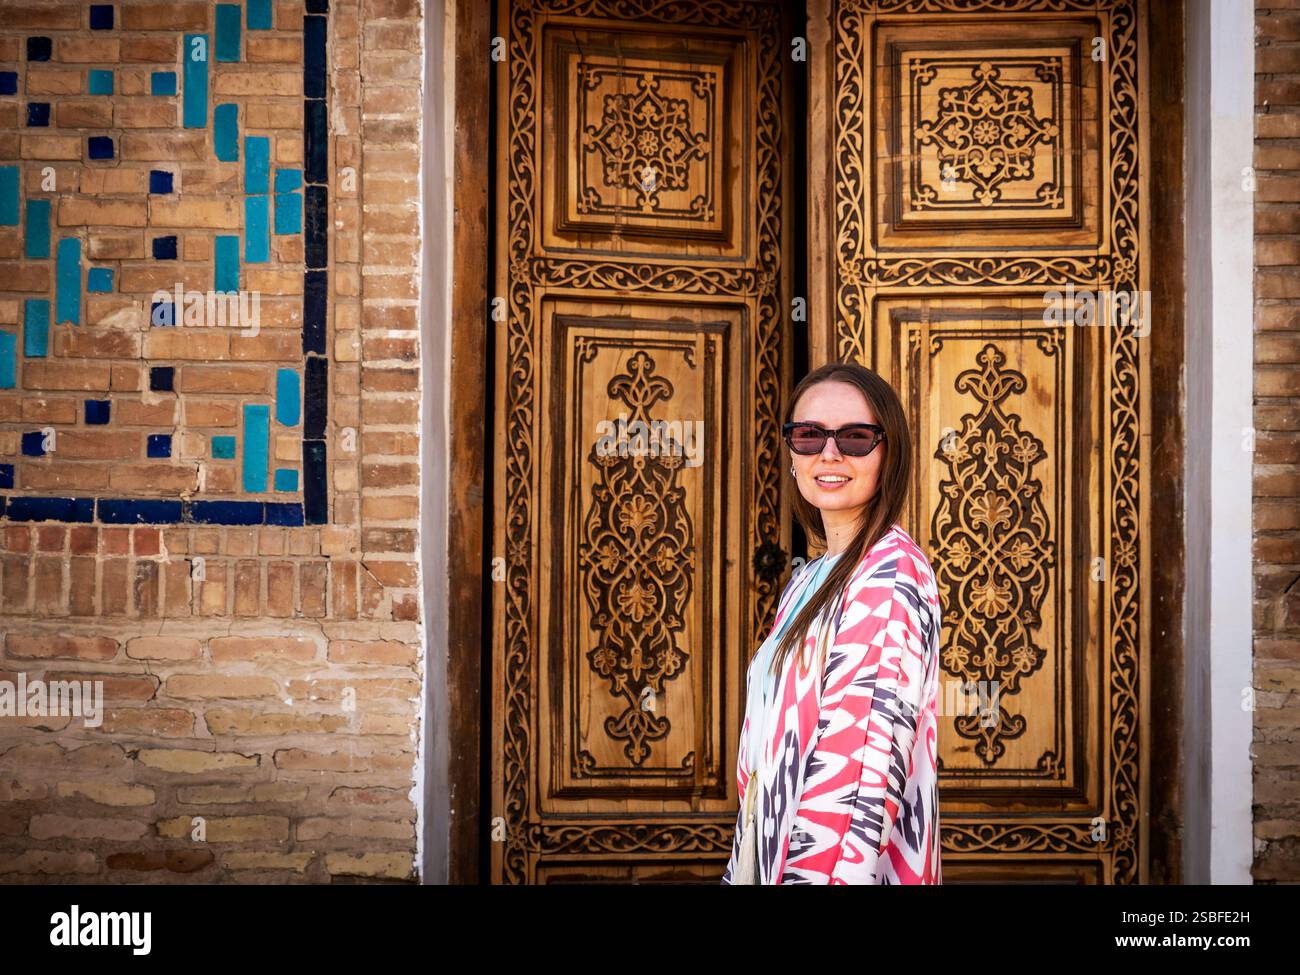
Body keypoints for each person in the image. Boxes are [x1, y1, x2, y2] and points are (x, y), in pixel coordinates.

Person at [722, 361, 943, 884]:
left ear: (889, 451)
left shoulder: (890, 578)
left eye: (856, 437)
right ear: (791, 453)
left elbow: (857, 785)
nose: (829, 453)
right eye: (808, 435)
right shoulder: (811, 579)